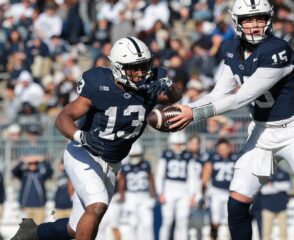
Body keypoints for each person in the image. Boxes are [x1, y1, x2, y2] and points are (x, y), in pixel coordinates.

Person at [169, 0, 294, 239]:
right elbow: (219, 93)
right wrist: (186, 108)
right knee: (236, 203)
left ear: (269, 19)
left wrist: (194, 114)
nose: (255, 25)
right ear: (238, 23)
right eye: (248, 19)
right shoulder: (231, 48)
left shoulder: (277, 49)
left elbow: (243, 97)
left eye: (259, 18)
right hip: (262, 132)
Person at [11, 36, 181, 240]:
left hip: (112, 162)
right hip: (84, 152)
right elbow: (64, 117)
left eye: (143, 66)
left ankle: (33, 232)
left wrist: (170, 88)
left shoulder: (151, 81)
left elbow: (172, 97)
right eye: (133, 68)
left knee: (77, 228)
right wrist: (80, 136)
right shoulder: (99, 83)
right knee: (97, 205)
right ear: (118, 67)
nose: (140, 73)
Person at [156, 131, 199, 240]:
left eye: (179, 144)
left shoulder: (188, 156)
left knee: (182, 220)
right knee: (167, 220)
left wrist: (193, 194)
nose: (177, 146)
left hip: (183, 189)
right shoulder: (166, 155)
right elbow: (160, 174)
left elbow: (192, 176)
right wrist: (160, 192)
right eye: (175, 144)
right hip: (169, 188)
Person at [119, 141, 156, 240]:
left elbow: (151, 180)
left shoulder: (146, 164)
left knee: (147, 223)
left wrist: (152, 196)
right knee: (133, 223)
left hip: (144, 195)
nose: (135, 158)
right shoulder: (125, 167)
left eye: (137, 155)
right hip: (131, 196)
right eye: (133, 155)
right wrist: (123, 200)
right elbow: (122, 184)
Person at [202, 138, 237, 240]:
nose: (223, 151)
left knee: (230, 219)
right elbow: (206, 175)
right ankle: (214, 237)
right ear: (217, 149)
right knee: (215, 218)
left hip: (230, 192)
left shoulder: (235, 157)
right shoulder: (213, 157)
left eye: (225, 148)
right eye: (221, 149)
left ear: (229, 148)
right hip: (216, 191)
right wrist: (202, 192)